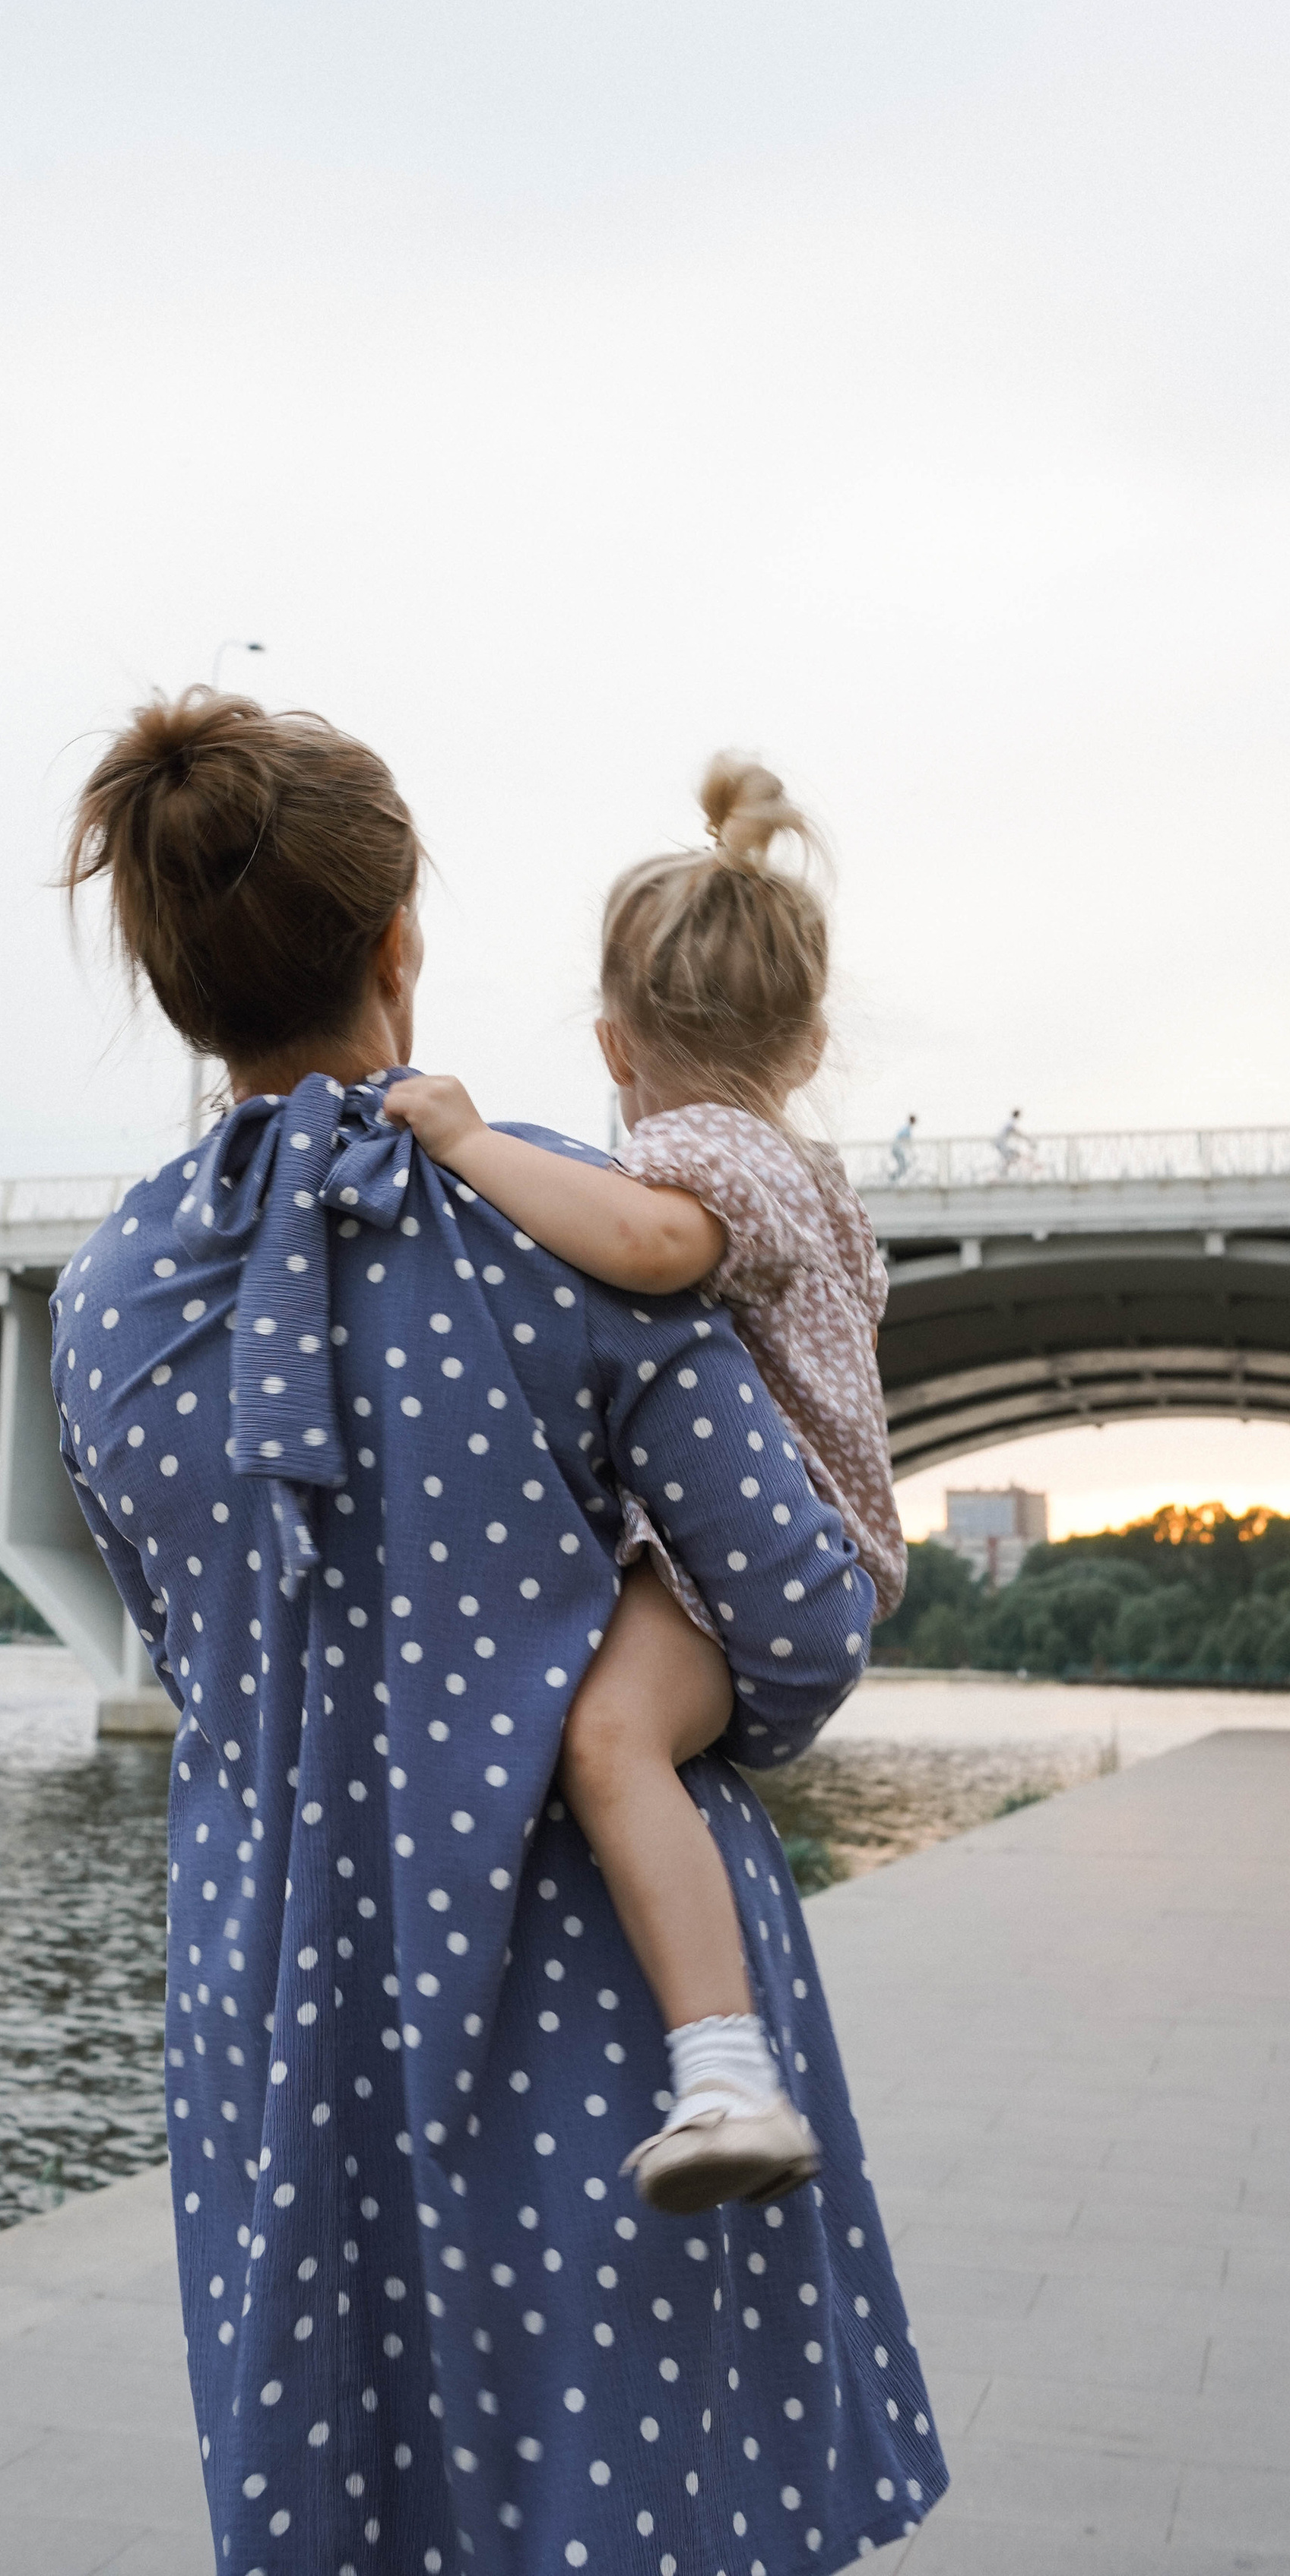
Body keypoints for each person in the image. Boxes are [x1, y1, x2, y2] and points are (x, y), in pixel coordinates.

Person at [51, 691, 944, 2576]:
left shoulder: (109, 1302)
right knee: (630, 2513)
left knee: (352, 2499)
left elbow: (204, 1661)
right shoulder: (557, 1221)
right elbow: (795, 1615)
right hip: (607, 2026)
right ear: (399, 945)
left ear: (177, 985)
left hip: (277, 2010)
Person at [384, 758, 904, 2219]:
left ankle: (726, 2071)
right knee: (618, 1734)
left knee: (608, 1740)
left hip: (766, 1563)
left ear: (613, 1047)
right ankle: (725, 2057)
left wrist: (470, 1145)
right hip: (805, 1557)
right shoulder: (803, 1167)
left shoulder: (700, 1158)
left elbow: (651, 1245)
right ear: (809, 1042)